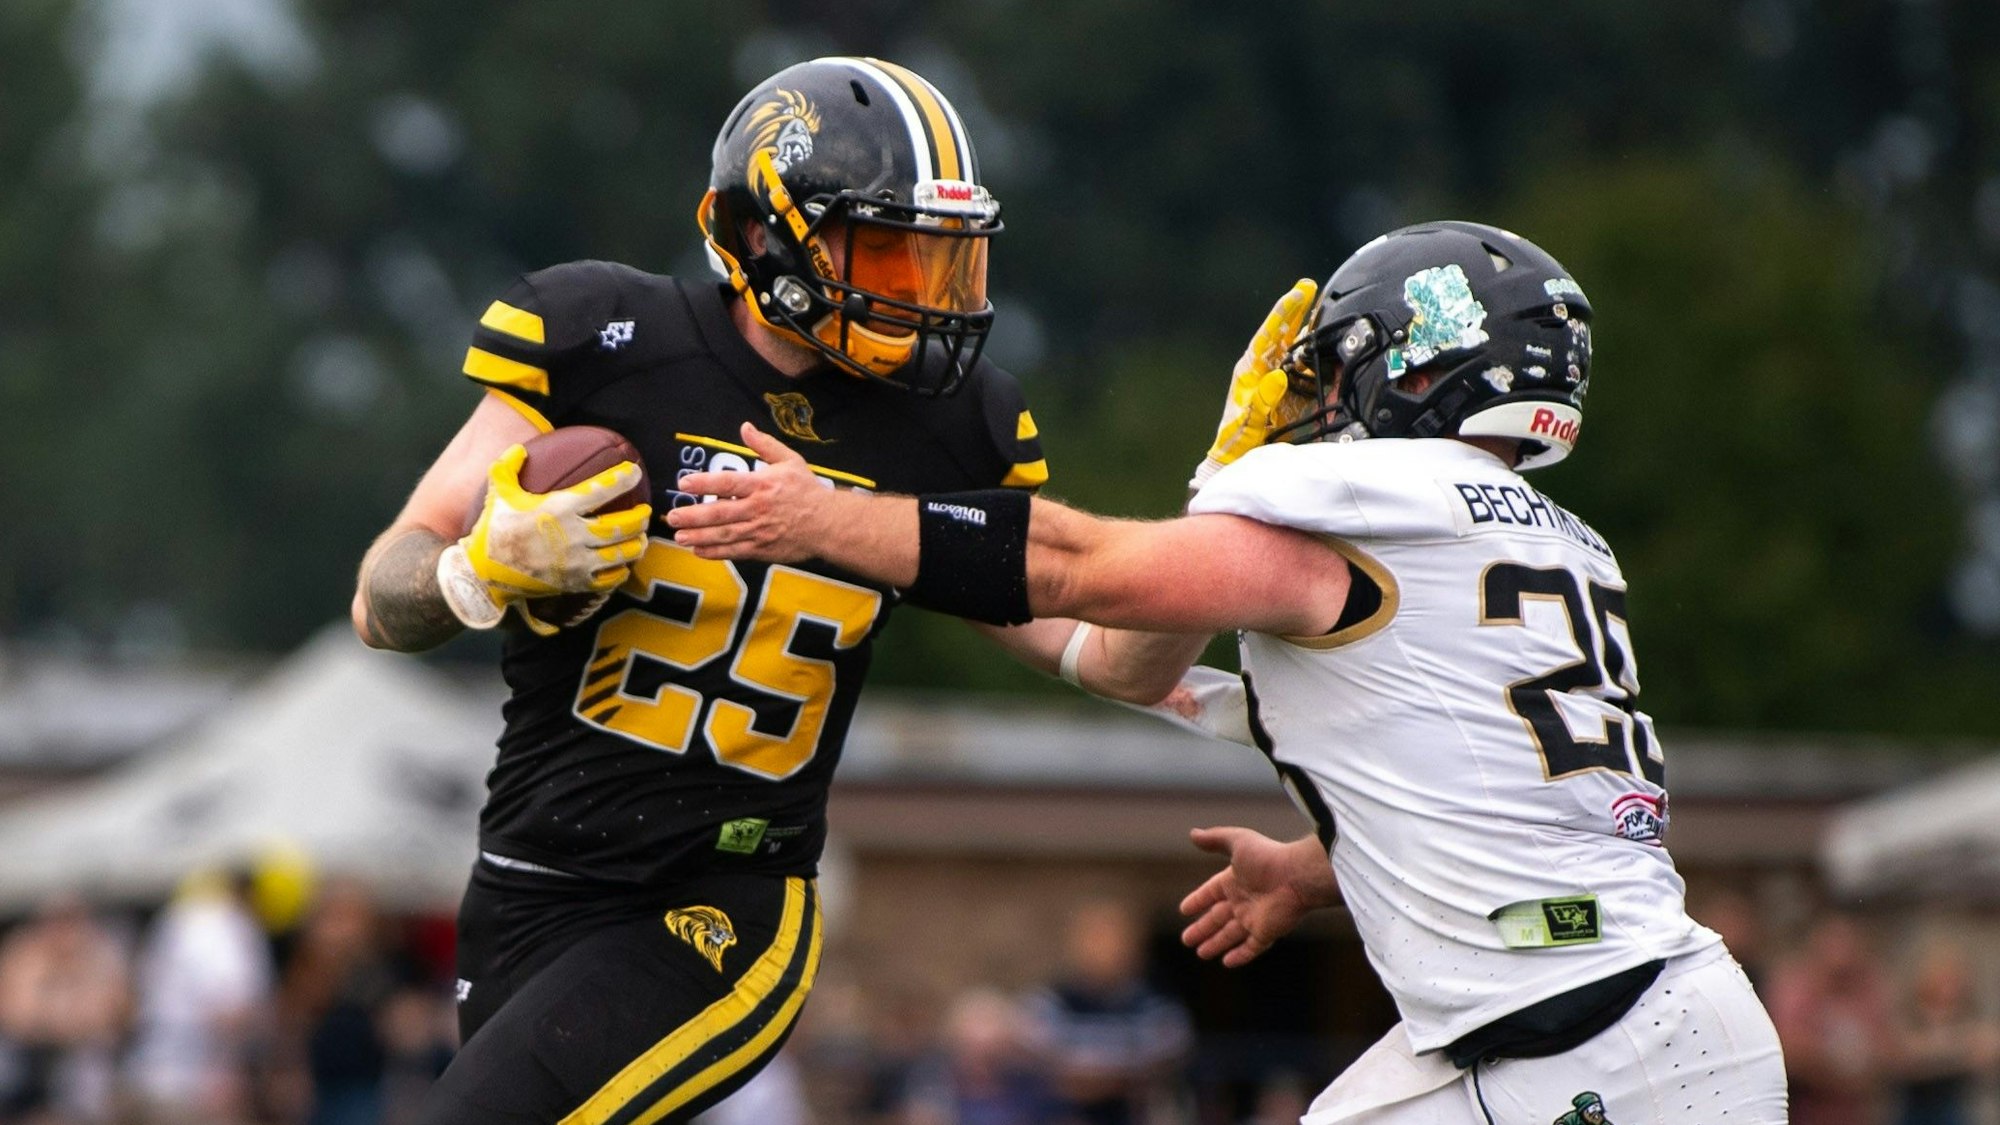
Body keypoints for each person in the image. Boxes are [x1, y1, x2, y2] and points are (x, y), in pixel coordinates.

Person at [666, 220, 1790, 1122]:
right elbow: (1131, 663)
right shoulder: (1552, 543)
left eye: (1336, 373)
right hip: (1653, 1018)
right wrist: (1323, 863)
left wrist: (828, 518)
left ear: (1403, 367)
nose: (1322, 404)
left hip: (1582, 1043)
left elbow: (1077, 567)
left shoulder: (1369, 507)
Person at [350, 56, 1139, 1125]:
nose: (921, 292)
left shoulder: (949, 430)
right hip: (524, 881)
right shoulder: (604, 345)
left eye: (938, 259)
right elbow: (380, 598)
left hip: (718, 904)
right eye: (888, 252)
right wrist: (472, 571)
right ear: (767, 234)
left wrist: (1216, 562)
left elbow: (1091, 648)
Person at [1020, 899, 1190, 1125]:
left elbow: (1162, 1061)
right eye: (1095, 939)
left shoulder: (1155, 1006)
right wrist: (1116, 1076)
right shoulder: (1050, 1002)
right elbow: (1040, 1062)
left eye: (1113, 939)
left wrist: (1091, 1078)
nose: (1103, 949)